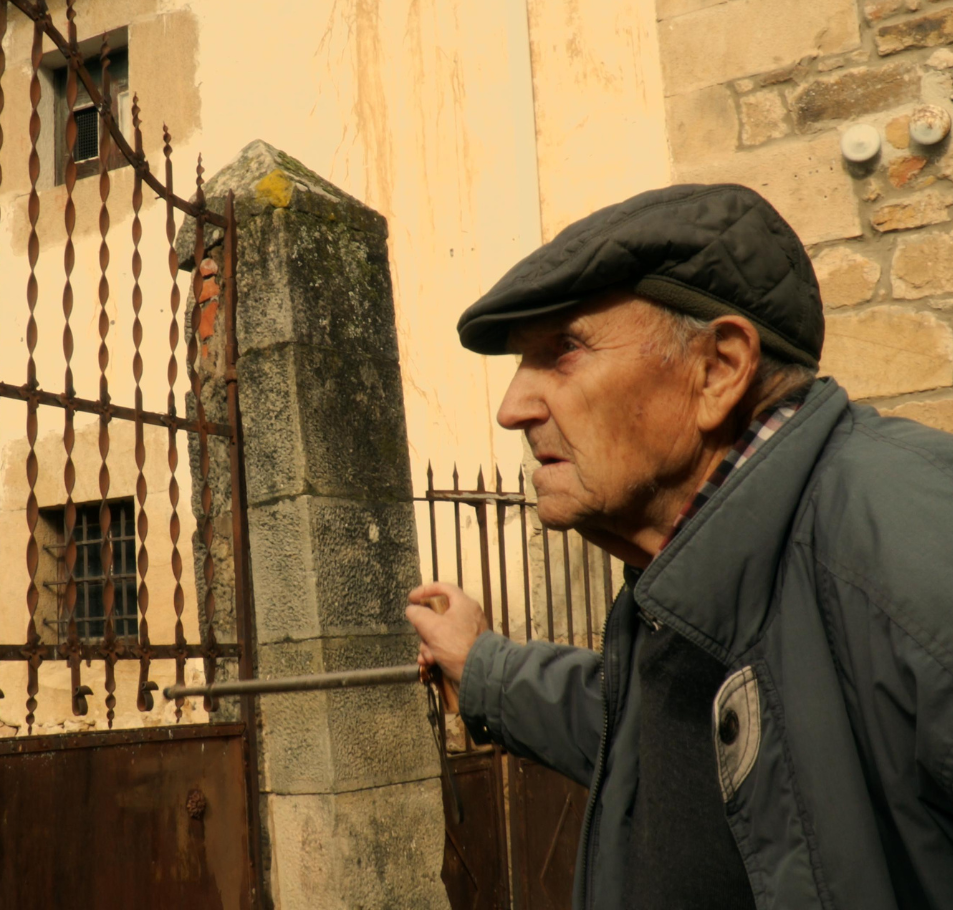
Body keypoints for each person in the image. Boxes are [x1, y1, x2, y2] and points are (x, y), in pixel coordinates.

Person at [404, 183, 953, 910]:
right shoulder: (684, 574)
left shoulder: (911, 548)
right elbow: (644, 723)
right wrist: (482, 668)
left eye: (563, 350)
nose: (512, 408)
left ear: (719, 368)